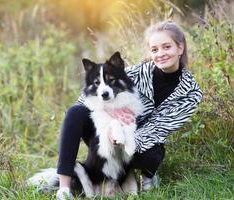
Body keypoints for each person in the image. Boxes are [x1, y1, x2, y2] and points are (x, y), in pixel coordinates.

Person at [55, 20, 203, 200]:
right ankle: (64, 188)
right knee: (75, 112)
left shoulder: (191, 93)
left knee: (151, 154)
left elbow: (159, 128)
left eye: (167, 47)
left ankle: (146, 176)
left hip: (140, 140)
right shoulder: (136, 72)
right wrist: (111, 117)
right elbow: (86, 100)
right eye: (155, 49)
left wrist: (122, 137)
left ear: (180, 48)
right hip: (106, 130)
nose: (161, 54)